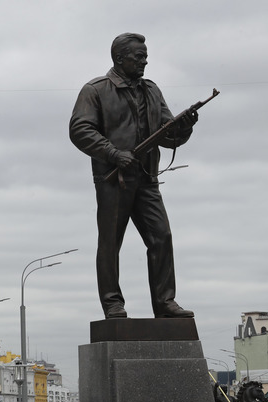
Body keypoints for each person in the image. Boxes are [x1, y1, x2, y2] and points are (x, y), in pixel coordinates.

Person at [69, 32, 198, 320]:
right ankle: (112, 303)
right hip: (114, 179)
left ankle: (165, 303)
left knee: (161, 236)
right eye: (138, 56)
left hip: (147, 178)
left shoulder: (151, 91)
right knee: (111, 242)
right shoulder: (96, 90)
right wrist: (113, 153)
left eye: (146, 56)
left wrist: (185, 127)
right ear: (119, 58)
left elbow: (167, 134)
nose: (145, 61)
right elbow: (80, 130)